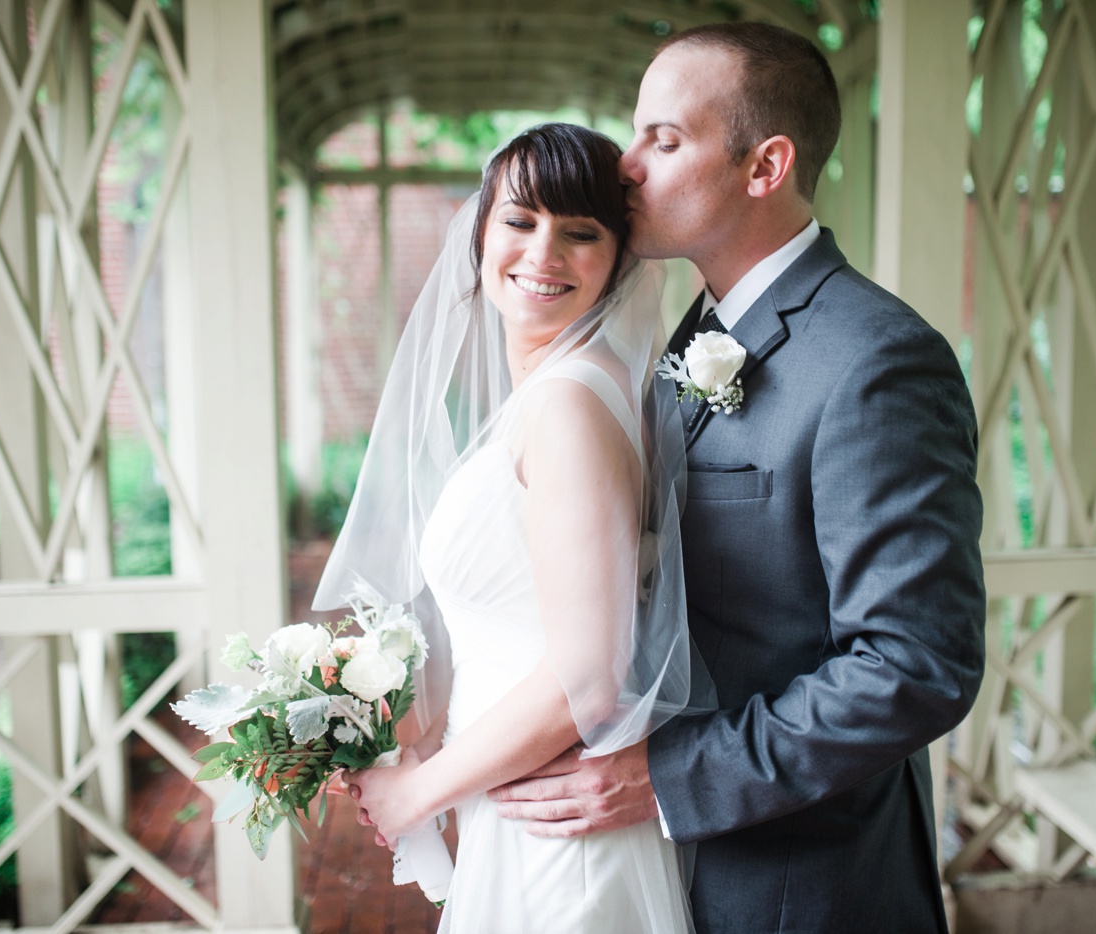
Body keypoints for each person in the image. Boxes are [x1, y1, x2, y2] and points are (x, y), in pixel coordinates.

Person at [488, 23, 987, 933]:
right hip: (655, 869)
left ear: (765, 167)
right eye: (636, 133)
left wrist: (669, 779)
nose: (627, 165)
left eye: (664, 140)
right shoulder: (692, 337)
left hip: (801, 883)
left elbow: (915, 665)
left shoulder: (876, 361)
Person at [311, 123, 700, 932]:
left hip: (556, 840)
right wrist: (422, 748)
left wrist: (421, 790)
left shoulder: (567, 405)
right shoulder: (548, 396)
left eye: (581, 232)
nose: (544, 252)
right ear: (480, 231)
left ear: (619, 259)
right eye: (520, 221)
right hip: (510, 803)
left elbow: (587, 680)